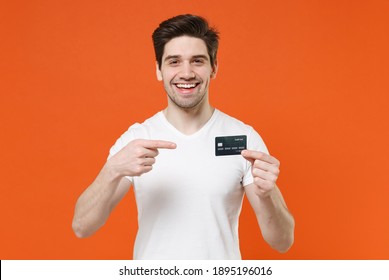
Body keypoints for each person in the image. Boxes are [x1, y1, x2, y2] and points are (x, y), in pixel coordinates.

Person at [72, 14, 295, 260]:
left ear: (214, 67)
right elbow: (82, 227)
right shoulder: (137, 139)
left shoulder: (243, 138)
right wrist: (111, 170)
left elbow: (283, 242)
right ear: (159, 70)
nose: (186, 73)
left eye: (197, 61)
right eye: (174, 61)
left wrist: (268, 194)